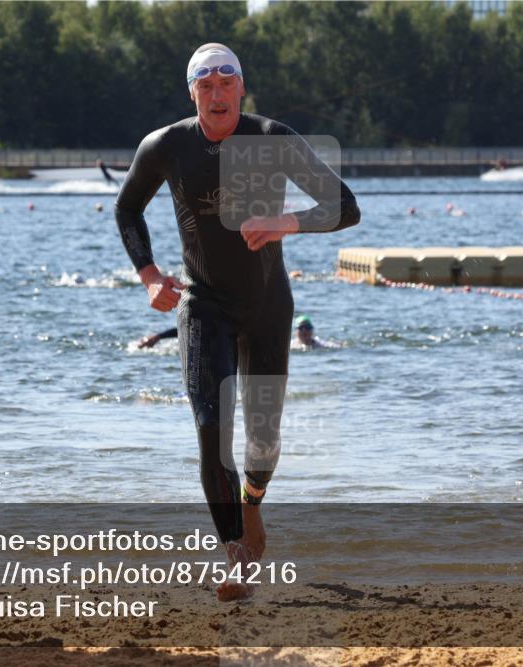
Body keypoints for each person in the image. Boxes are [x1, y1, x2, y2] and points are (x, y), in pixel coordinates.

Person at [114, 43, 360, 600]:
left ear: (241, 88)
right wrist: (149, 274)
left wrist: (285, 223)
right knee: (211, 427)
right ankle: (235, 556)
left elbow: (345, 206)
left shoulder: (273, 138)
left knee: (263, 441)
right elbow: (127, 207)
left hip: (268, 306)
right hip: (204, 304)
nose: (217, 94)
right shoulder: (166, 146)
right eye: (206, 86)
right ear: (193, 94)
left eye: (227, 83)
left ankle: (252, 505)